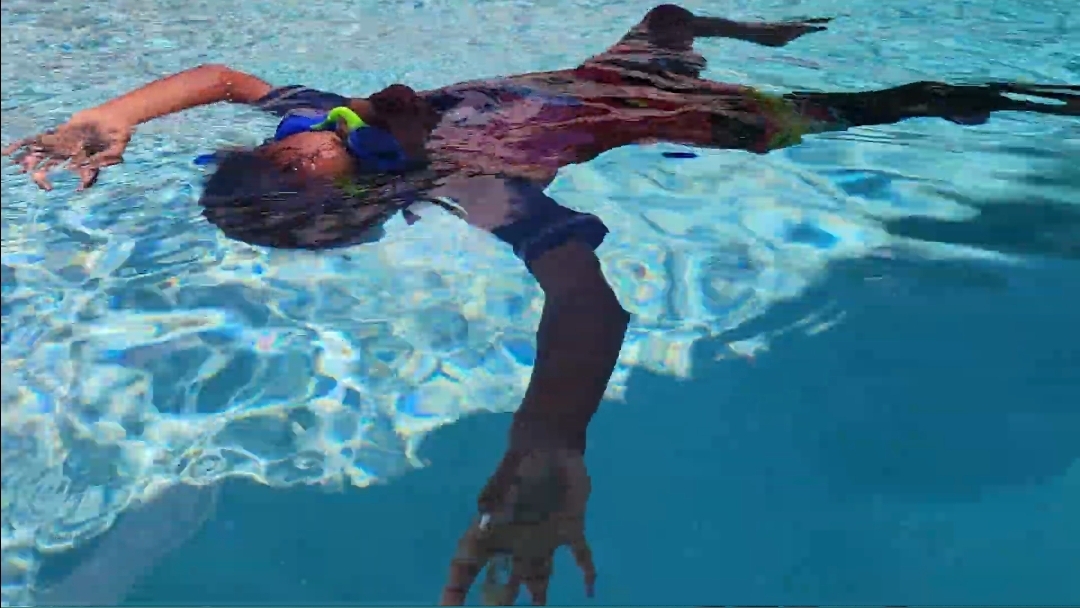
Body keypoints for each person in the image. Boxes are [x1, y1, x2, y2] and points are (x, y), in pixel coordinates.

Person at [4, 4, 1077, 605]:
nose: (321, 129)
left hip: (601, 71)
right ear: (377, 195)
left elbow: (223, 76)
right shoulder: (483, 188)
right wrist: (547, 437)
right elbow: (587, 305)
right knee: (882, 106)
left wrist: (115, 114)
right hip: (694, 117)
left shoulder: (324, 119)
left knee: (665, 16)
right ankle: (1001, 96)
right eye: (316, 155)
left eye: (295, 138)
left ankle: (736, 26)